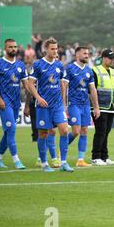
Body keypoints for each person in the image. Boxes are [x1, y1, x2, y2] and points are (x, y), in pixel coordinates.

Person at [28, 37, 73, 173]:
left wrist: (64, 104)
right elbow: (30, 84)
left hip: (58, 105)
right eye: (52, 49)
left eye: (56, 48)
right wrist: (38, 97)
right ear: (46, 49)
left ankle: (64, 162)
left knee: (64, 130)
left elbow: (62, 85)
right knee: (43, 133)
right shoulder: (38, 65)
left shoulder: (59, 65)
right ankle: (44, 163)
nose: (55, 51)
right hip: (43, 105)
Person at [0, 39, 29, 169]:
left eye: (15, 47)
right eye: (10, 47)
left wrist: (28, 102)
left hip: (17, 103)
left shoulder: (21, 65)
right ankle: (16, 160)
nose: (13, 49)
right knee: (11, 130)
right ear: (5, 49)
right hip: (5, 102)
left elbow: (26, 85)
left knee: (7, 132)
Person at [62, 47, 101, 167]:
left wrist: (96, 107)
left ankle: (80, 160)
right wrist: (63, 104)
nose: (87, 55)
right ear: (77, 54)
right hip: (73, 104)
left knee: (84, 131)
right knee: (76, 131)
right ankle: (61, 152)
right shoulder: (69, 68)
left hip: (85, 105)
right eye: (84, 53)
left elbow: (93, 89)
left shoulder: (89, 70)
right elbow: (63, 86)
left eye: (88, 53)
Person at [91, 49, 114, 166]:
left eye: (113, 58)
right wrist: (95, 107)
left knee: (106, 131)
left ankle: (104, 157)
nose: (112, 60)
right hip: (99, 107)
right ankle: (96, 156)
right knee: (100, 131)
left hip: (110, 106)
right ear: (103, 58)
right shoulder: (95, 70)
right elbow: (92, 90)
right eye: (110, 58)